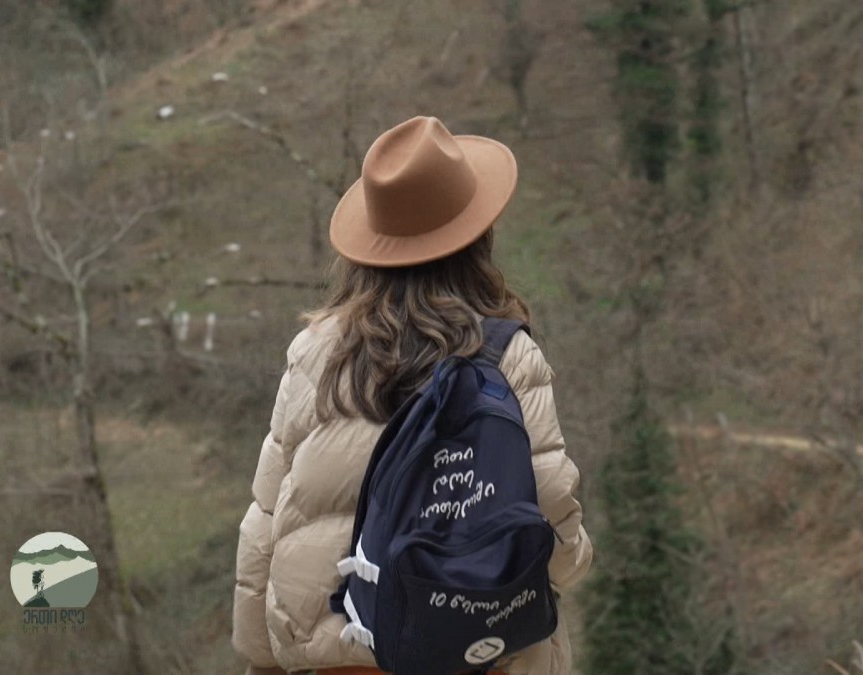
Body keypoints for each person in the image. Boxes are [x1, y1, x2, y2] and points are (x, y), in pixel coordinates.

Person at [231, 116, 593, 675]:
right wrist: (573, 560)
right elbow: (548, 523)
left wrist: (261, 657)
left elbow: (266, 522)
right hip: (474, 654)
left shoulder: (314, 353)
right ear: (477, 239)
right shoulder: (507, 356)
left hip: (339, 660)